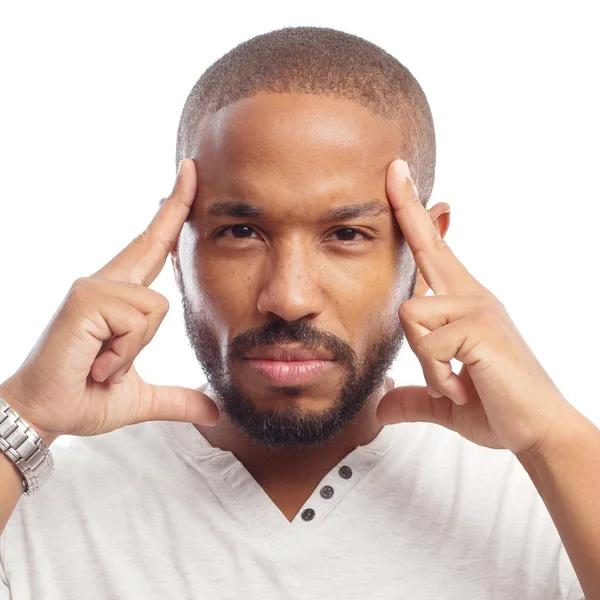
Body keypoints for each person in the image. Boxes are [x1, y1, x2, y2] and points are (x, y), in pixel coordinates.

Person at [0, 26, 595, 599]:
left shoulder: (549, 506)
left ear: (421, 250)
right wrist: (23, 416)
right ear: (177, 245)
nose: (287, 297)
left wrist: (551, 434)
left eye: (346, 234)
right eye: (240, 230)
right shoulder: (31, 502)